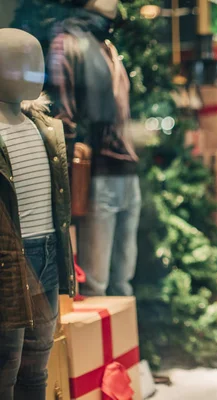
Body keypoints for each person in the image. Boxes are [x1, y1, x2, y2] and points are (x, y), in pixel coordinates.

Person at [46, 0, 141, 296]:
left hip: (127, 170)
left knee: (123, 281)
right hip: (96, 173)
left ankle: (125, 342)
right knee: (95, 283)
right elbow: (63, 117)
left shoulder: (108, 46)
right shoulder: (68, 44)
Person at [0, 28, 75, 400]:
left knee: (37, 365)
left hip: (46, 254)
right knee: (6, 368)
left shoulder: (44, 128)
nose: (36, 73)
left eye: (38, 63)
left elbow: (56, 204)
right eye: (22, 64)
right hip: (7, 263)